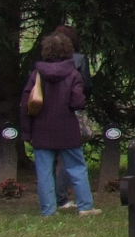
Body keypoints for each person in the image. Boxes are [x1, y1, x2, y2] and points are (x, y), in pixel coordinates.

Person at [21, 31, 96, 216]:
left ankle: (48, 210)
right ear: (69, 50)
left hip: (41, 128)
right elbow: (77, 102)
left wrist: (27, 132)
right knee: (77, 168)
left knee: (44, 172)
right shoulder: (73, 74)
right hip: (67, 128)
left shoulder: (37, 74)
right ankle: (85, 207)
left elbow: (25, 104)